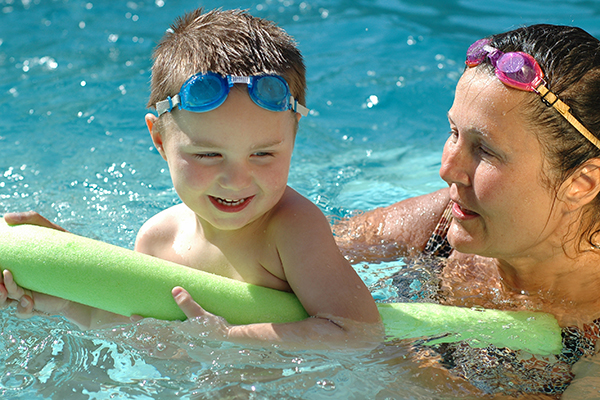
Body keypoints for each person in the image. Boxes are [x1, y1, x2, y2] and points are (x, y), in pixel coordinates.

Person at [0, 8, 382, 349]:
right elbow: (136, 329)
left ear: (294, 135)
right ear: (159, 139)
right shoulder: (158, 238)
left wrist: (233, 338)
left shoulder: (292, 230)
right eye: (208, 154)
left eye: (263, 154)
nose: (236, 179)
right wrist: (64, 297)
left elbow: (360, 332)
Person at [334, 24, 600, 397]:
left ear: (582, 183)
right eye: (453, 133)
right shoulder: (442, 223)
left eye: (485, 150)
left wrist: (388, 354)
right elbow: (308, 248)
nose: (447, 169)